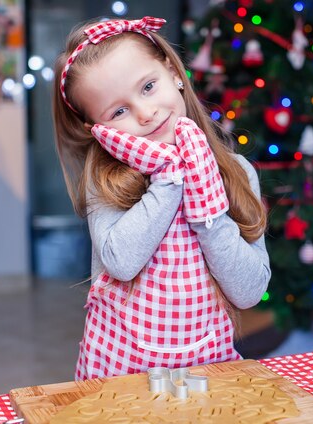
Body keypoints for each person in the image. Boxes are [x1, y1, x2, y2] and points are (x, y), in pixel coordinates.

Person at [52, 16, 271, 380]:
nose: (145, 113)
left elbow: (248, 292)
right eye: (118, 111)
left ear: (172, 72)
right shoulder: (105, 181)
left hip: (208, 371)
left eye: (149, 86)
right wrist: (168, 179)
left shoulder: (236, 171)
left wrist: (208, 211)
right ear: (99, 131)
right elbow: (121, 262)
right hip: (117, 379)